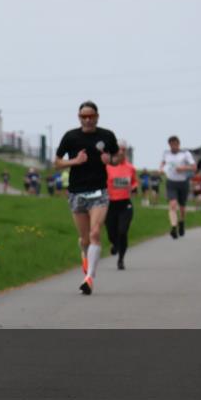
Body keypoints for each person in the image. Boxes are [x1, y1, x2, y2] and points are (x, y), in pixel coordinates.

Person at [53, 101, 119, 295]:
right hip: (77, 193)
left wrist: (110, 160)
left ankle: (89, 277)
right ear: (79, 117)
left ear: (97, 117)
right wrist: (75, 161)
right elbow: (56, 162)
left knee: (95, 232)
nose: (88, 120)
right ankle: (85, 253)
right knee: (84, 239)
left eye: (91, 116)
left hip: (99, 192)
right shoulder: (71, 136)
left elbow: (116, 158)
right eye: (84, 117)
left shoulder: (106, 136)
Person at [105, 140, 137, 269]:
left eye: (124, 149)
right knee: (111, 233)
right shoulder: (107, 167)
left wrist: (134, 187)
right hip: (110, 204)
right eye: (119, 149)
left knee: (122, 231)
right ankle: (115, 244)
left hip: (125, 204)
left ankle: (121, 259)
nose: (121, 152)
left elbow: (134, 182)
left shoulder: (130, 168)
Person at [160, 135, 196, 240]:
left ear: (178, 144)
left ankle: (182, 222)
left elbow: (194, 167)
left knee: (182, 207)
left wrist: (184, 168)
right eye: (171, 145)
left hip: (183, 182)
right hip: (171, 182)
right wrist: (161, 168)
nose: (173, 147)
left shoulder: (185, 154)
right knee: (172, 204)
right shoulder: (166, 153)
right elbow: (163, 163)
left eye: (175, 144)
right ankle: (173, 227)